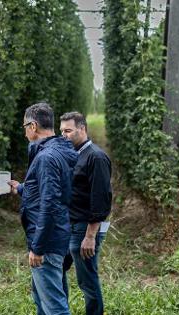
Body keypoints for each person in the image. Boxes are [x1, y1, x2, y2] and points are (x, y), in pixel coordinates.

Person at [9, 103, 78, 315]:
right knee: (43, 301)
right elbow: (50, 190)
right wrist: (21, 188)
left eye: (24, 126)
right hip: (59, 234)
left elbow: (50, 203)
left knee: (55, 307)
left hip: (47, 242)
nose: (24, 131)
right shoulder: (59, 151)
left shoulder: (46, 158)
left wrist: (38, 247)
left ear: (33, 126)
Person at [59, 112, 112, 315]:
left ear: (82, 129)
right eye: (61, 131)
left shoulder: (96, 157)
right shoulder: (71, 155)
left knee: (87, 279)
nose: (64, 135)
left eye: (68, 131)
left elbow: (101, 199)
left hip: (84, 228)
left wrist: (90, 236)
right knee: (55, 270)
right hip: (66, 226)